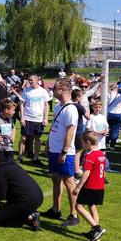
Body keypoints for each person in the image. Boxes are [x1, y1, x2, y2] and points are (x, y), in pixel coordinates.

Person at [43, 79, 79, 225]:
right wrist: (48, 145)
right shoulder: (59, 107)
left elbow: (70, 132)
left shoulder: (71, 109)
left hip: (64, 152)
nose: (52, 90)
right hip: (54, 150)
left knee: (69, 182)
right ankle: (55, 210)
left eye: (55, 88)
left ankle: (73, 215)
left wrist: (64, 152)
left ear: (64, 89)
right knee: (56, 179)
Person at [0, 154, 42, 230]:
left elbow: (1, 195)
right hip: (38, 196)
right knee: (6, 210)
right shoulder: (9, 163)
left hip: (26, 200)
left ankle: (30, 218)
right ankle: (29, 214)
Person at [72, 132, 107, 241]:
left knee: (79, 207)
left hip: (90, 186)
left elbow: (86, 173)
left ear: (88, 142)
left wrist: (78, 187)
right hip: (99, 186)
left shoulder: (90, 155)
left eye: (83, 142)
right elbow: (103, 171)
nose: (82, 144)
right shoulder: (101, 154)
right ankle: (94, 233)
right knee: (92, 206)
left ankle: (97, 228)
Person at [19, 74, 48, 165]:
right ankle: (20, 157)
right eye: (29, 80)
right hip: (27, 118)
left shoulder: (43, 91)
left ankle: (35, 158)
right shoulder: (26, 91)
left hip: (38, 119)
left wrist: (45, 118)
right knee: (23, 138)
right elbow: (21, 104)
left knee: (37, 138)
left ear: (37, 80)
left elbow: (46, 105)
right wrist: (22, 117)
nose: (30, 82)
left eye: (31, 80)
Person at [105, 83, 121, 149]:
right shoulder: (120, 95)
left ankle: (106, 142)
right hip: (118, 114)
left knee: (108, 128)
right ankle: (112, 145)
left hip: (110, 113)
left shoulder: (108, 95)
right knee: (115, 130)